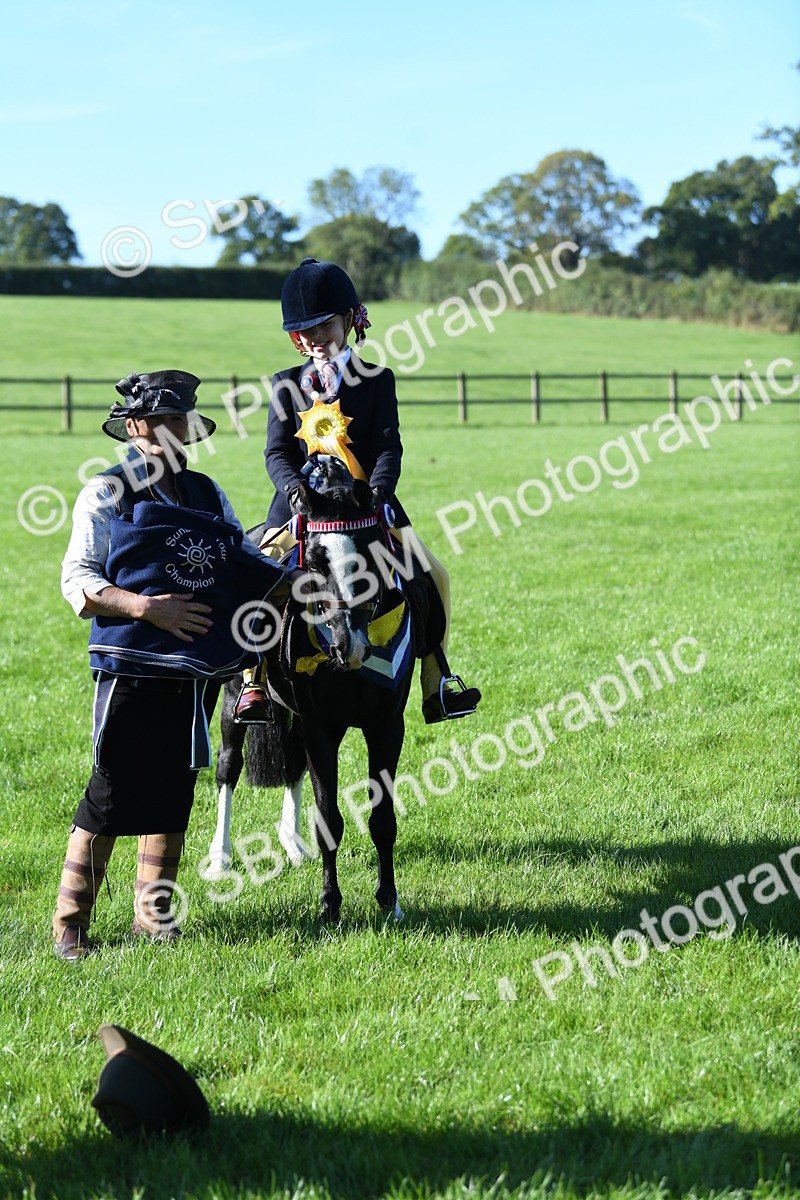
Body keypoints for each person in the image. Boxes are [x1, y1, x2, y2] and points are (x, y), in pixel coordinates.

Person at [54, 369, 284, 961]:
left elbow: (241, 558)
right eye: (165, 419)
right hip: (130, 663)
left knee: (176, 786)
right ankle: (70, 927)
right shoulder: (105, 493)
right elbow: (78, 581)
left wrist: (294, 578)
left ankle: (154, 921)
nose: (179, 430)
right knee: (110, 790)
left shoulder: (207, 493)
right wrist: (147, 608)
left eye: (183, 418)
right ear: (135, 427)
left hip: (195, 670)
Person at [234, 257, 481, 725]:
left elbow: (389, 447)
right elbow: (275, 453)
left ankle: (438, 685)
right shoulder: (286, 384)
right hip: (300, 510)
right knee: (253, 577)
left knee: (437, 577)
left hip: (368, 507)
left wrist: (378, 491)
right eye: (302, 332)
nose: (313, 339)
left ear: (349, 320)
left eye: (323, 325)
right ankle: (252, 684)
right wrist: (292, 490)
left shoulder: (377, 381)